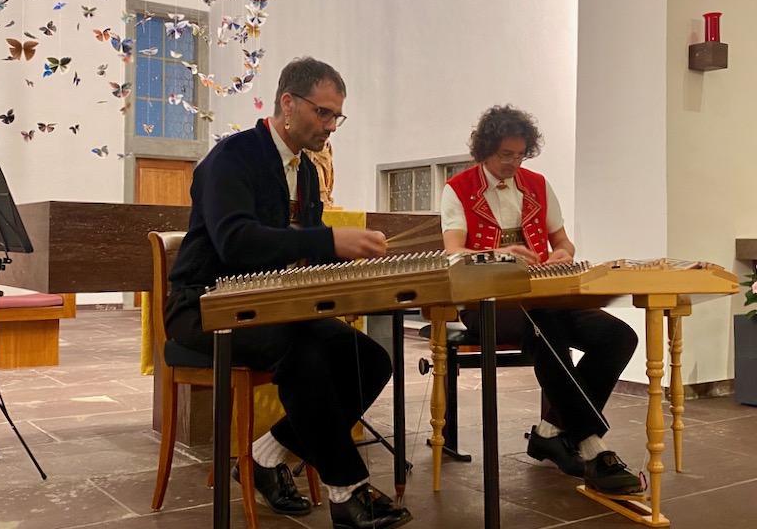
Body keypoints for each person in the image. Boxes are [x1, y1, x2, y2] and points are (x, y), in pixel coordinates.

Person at [165, 57, 412, 529]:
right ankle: (348, 491)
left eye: (337, 116)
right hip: (205, 305)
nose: (331, 126)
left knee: (370, 360)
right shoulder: (233, 158)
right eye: (323, 112)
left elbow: (301, 254)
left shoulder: (307, 173)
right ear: (288, 103)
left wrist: (355, 260)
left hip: (269, 306)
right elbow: (236, 242)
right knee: (303, 354)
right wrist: (329, 240)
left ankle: (264, 455)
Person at [440, 104, 642, 496]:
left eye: (521, 155)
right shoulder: (458, 188)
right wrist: (502, 255)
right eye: (505, 155)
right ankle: (591, 447)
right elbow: (454, 252)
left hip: (545, 295)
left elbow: (563, 241)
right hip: (485, 300)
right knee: (545, 325)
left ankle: (550, 432)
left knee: (619, 336)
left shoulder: (537, 185)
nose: (514, 163)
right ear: (485, 149)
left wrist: (562, 252)